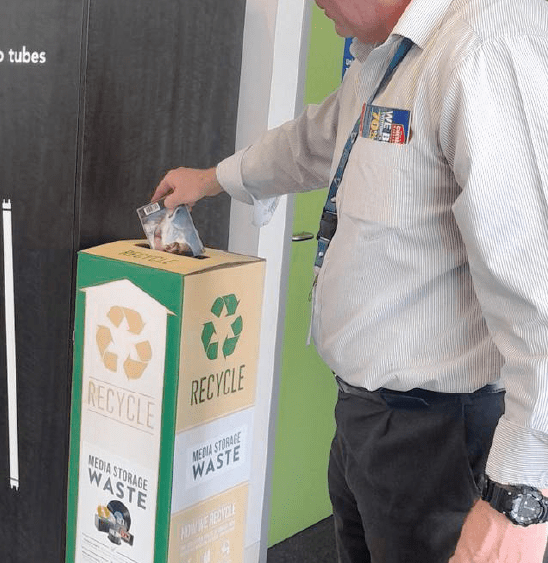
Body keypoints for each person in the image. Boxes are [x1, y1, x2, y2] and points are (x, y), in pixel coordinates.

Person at [152, 0, 548, 561]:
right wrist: (212, 179)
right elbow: (308, 144)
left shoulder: (481, 48)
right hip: (369, 416)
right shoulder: (386, 62)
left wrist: (517, 498)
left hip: (437, 434)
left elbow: (540, 295)